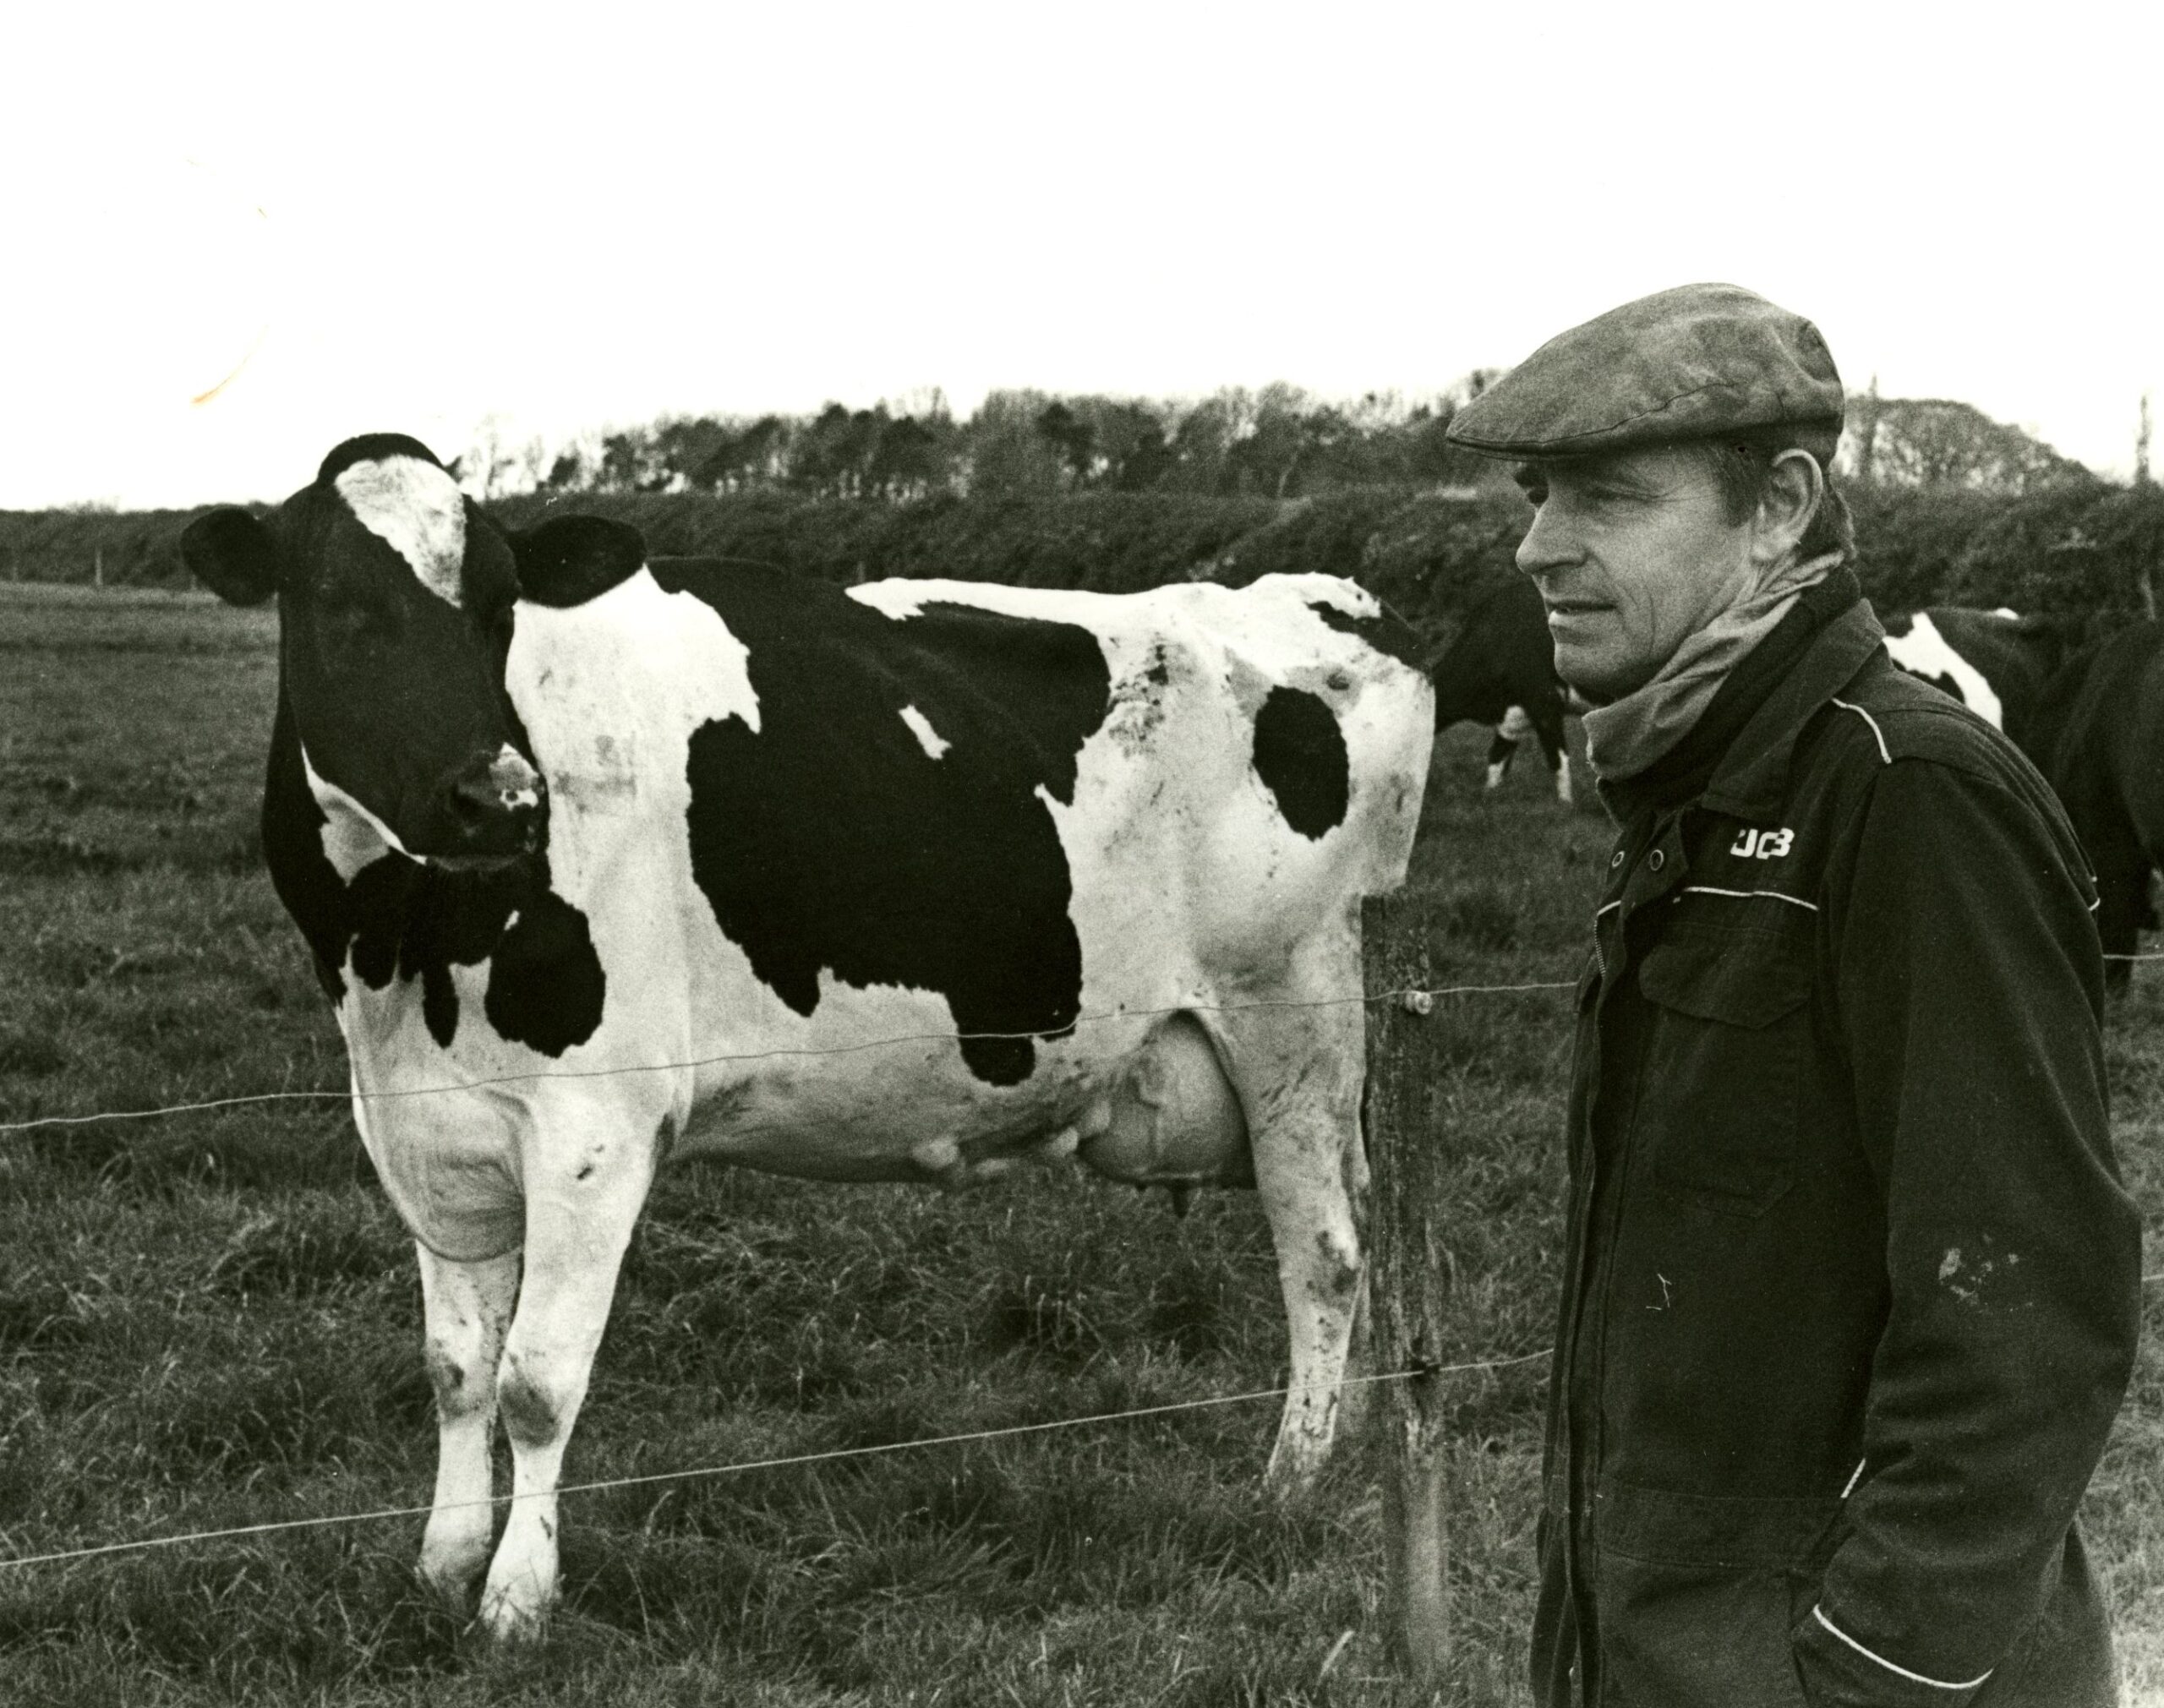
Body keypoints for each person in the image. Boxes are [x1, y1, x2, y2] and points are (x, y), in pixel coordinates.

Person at [1445, 283, 2141, 1707]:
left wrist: (1867, 1675)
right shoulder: (1698, 795)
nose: (1536, 547)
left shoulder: (1912, 799)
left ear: (1779, 504)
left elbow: (2025, 1312)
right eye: (1535, 495)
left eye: (1605, 497)